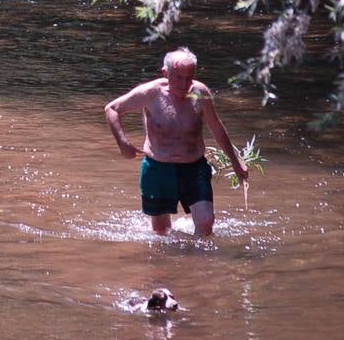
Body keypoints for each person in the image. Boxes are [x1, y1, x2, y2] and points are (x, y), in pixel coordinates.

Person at [103, 48, 248, 237]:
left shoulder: (200, 93)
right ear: (166, 73)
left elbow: (217, 128)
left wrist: (236, 162)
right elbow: (112, 109)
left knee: (206, 223)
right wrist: (123, 144)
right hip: (158, 169)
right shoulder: (151, 93)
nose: (185, 84)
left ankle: (200, 264)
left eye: (189, 77)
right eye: (179, 77)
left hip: (194, 168)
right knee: (161, 232)